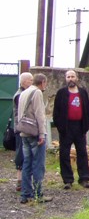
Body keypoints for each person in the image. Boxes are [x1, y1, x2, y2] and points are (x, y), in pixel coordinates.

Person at [53, 70, 89, 189]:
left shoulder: (83, 92)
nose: (70, 79)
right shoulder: (61, 93)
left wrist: (86, 126)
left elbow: (88, 110)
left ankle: (84, 179)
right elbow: (56, 112)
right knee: (64, 153)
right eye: (68, 77)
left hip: (80, 127)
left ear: (77, 78)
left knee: (82, 152)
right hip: (66, 128)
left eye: (72, 76)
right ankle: (68, 180)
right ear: (66, 79)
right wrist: (60, 127)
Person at [17, 73, 52, 204]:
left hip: (24, 132)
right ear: (42, 82)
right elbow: (39, 115)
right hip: (34, 133)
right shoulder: (37, 93)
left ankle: (25, 194)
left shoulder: (24, 92)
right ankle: (38, 194)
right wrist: (42, 134)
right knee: (38, 164)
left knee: (27, 163)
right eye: (45, 83)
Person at [12, 72, 33, 192]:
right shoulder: (20, 95)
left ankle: (25, 180)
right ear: (24, 82)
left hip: (24, 128)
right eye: (30, 80)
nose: (32, 82)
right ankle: (20, 181)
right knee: (21, 154)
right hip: (21, 129)